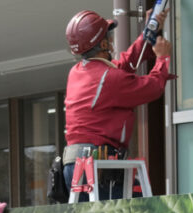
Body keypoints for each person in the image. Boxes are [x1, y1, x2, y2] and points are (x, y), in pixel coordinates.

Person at [62, 7, 172, 200]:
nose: (112, 41)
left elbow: (123, 65)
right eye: (109, 37)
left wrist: (149, 33)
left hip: (77, 165)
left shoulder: (77, 72)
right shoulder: (109, 79)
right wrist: (163, 58)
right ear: (104, 43)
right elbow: (152, 87)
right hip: (99, 167)